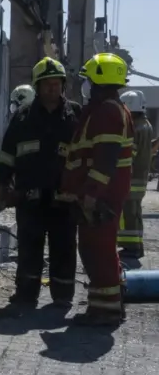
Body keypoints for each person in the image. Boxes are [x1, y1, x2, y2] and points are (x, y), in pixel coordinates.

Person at [0, 57, 81, 308]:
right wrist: (3, 184)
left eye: (56, 84)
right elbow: (7, 153)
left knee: (64, 248)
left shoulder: (76, 115)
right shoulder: (23, 117)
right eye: (47, 84)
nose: (52, 89)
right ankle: (26, 294)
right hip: (29, 197)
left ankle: (63, 296)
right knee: (29, 249)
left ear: (63, 86)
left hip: (64, 198)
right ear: (38, 86)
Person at [60, 53, 133, 326]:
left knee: (98, 250)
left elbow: (105, 159)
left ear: (100, 81)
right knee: (96, 248)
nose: (85, 86)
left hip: (102, 196)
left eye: (88, 81)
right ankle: (102, 306)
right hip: (102, 194)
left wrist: (91, 194)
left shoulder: (108, 112)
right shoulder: (105, 110)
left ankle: (106, 311)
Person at [118, 90, 153, 258]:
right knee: (135, 211)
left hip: (132, 178)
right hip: (142, 176)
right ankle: (137, 245)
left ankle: (131, 247)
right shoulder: (146, 125)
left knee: (129, 212)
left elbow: (129, 154)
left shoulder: (135, 127)